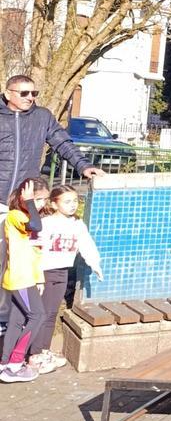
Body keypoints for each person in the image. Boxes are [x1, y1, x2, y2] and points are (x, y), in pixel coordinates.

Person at [0, 76, 102, 338]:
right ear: (8, 93)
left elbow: (62, 143)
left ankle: (5, 320)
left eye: (34, 92)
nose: (30, 97)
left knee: (14, 261)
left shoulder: (42, 117)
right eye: (24, 93)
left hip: (22, 203)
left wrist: (83, 166)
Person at [30, 185, 102, 372]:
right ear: (54, 204)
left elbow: (87, 245)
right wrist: (36, 275)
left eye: (75, 201)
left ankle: (43, 350)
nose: (72, 205)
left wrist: (95, 264)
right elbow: (34, 248)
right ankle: (34, 354)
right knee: (41, 314)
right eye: (67, 201)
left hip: (62, 272)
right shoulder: (46, 223)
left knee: (52, 313)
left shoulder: (77, 224)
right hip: (44, 272)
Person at [2, 178, 50, 383]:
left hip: (27, 277)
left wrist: (39, 278)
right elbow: (35, 224)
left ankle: (5, 364)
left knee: (17, 320)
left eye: (43, 200)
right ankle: (15, 361)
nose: (40, 204)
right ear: (23, 197)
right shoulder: (15, 216)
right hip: (19, 278)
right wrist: (29, 202)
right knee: (38, 316)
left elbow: (35, 254)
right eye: (37, 199)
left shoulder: (26, 215)